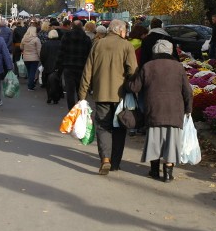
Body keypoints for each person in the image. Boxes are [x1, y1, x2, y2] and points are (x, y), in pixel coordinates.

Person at [127, 39, 193, 182]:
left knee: (154, 140)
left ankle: (154, 170)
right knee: (171, 140)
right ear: (170, 51)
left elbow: (135, 87)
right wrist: (188, 109)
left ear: (155, 51)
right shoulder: (178, 67)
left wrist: (130, 77)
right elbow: (187, 91)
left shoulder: (148, 66)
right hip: (175, 110)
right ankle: (168, 174)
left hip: (154, 109)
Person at [78, 19, 138, 175]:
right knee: (119, 127)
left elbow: (88, 70)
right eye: (125, 30)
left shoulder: (98, 44)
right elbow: (133, 72)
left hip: (101, 93)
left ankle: (105, 159)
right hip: (121, 96)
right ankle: (115, 163)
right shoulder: (127, 46)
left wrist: (82, 94)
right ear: (120, 30)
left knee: (103, 127)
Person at [57, 22, 93, 110]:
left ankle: (71, 110)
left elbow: (61, 52)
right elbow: (89, 54)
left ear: (72, 26)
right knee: (81, 90)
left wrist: (58, 66)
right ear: (82, 27)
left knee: (70, 91)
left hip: (68, 67)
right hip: (82, 67)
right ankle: (80, 109)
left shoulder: (66, 36)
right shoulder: (86, 38)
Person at [40, 29, 62, 104]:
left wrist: (44, 64)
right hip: (58, 66)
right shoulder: (60, 43)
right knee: (57, 82)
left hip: (48, 65)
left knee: (48, 82)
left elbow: (42, 55)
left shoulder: (46, 44)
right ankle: (56, 97)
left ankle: (49, 96)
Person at [20, 26, 42, 91]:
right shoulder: (36, 39)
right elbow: (39, 50)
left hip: (26, 58)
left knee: (29, 71)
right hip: (34, 58)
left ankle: (30, 84)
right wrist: (40, 57)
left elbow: (21, 48)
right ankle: (30, 86)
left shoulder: (24, 39)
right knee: (33, 72)